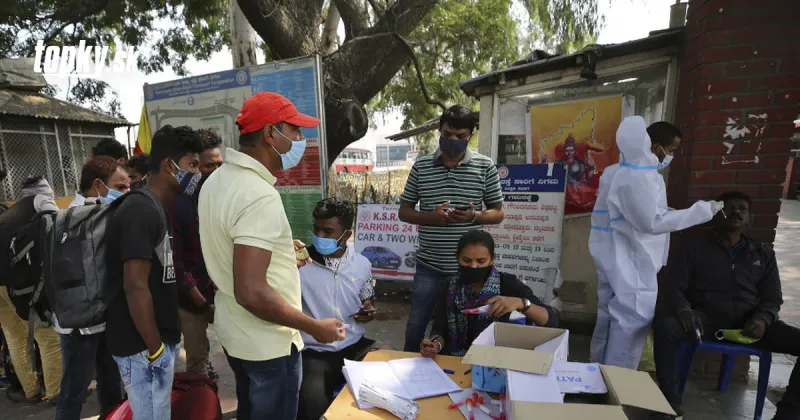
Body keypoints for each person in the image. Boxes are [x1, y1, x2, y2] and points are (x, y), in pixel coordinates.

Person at [198, 92, 345, 420]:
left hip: (237, 335)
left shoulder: (216, 181)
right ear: (269, 134)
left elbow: (226, 246)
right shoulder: (257, 194)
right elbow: (251, 291)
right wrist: (314, 327)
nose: (299, 140)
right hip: (269, 346)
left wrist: (277, 249)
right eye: (293, 131)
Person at [588, 117, 725, 370]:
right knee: (631, 320)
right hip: (632, 259)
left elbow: (631, 212)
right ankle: (617, 382)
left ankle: (597, 373)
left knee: (610, 316)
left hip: (613, 253)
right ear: (655, 148)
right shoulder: (641, 177)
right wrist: (702, 212)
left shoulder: (616, 171)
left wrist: (665, 211)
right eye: (670, 151)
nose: (670, 156)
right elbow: (651, 222)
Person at [654, 191, 800, 420]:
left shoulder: (762, 253)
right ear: (716, 215)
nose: (736, 212)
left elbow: (773, 298)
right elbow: (674, 285)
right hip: (705, 318)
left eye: (742, 209)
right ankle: (669, 407)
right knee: (665, 328)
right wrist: (684, 310)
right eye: (729, 207)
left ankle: (788, 415)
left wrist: (762, 320)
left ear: (749, 218)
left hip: (749, 322)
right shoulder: (694, 247)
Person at [105, 125, 203, 420]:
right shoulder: (139, 210)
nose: (196, 174)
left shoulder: (158, 207)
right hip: (142, 348)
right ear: (168, 165)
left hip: (154, 343)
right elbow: (135, 285)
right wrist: (155, 348)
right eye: (192, 165)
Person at [399, 105, 505, 352]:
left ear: (471, 134)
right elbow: (404, 212)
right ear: (439, 130)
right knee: (416, 325)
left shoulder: (484, 166)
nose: (453, 140)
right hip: (429, 266)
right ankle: (405, 373)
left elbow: (498, 213)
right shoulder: (421, 167)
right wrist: (431, 218)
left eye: (461, 136)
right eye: (448, 133)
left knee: (465, 330)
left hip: (469, 270)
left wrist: (474, 216)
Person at [54, 157, 129, 420]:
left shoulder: (97, 213)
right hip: (80, 325)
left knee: (110, 385)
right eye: (120, 187)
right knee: (74, 392)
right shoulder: (75, 219)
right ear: (98, 186)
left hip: (102, 317)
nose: (126, 193)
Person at [297, 198, 377, 420]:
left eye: (328, 231)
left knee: (384, 395)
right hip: (314, 352)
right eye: (316, 229)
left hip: (355, 346)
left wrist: (368, 311)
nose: (319, 236)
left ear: (346, 235)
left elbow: (368, 300)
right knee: (312, 409)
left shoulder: (362, 264)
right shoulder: (300, 264)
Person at [420, 230, 557, 357]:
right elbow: (440, 328)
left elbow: (550, 320)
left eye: (481, 261)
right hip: (455, 360)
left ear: (492, 259)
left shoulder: (508, 283)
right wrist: (435, 344)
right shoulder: (449, 286)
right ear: (457, 258)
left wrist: (520, 303)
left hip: (497, 361)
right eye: (466, 260)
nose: (474, 267)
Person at [0, 177, 62, 404]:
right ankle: (56, 392)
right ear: (45, 192)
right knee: (47, 337)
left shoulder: (10, 212)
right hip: (17, 285)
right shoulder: (42, 204)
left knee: (14, 336)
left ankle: (31, 391)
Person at [167, 128, 222, 381]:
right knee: (196, 361)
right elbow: (175, 262)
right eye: (208, 166)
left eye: (220, 164)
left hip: (214, 291)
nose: (216, 171)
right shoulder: (176, 203)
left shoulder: (221, 198)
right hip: (188, 298)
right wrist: (201, 301)